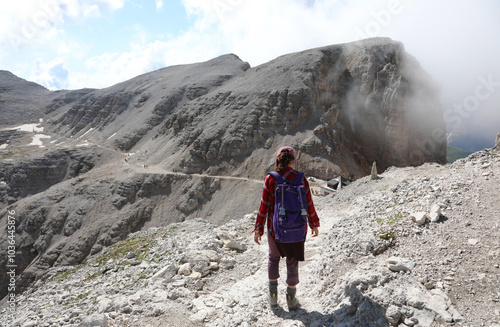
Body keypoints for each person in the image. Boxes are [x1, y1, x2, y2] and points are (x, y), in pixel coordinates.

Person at [253, 146, 320, 310]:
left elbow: (264, 206)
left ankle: (273, 297)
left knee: (273, 258)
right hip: (297, 229)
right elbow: (309, 203)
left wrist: (258, 228)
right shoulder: (301, 179)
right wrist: (314, 224)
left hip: (275, 229)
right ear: (293, 160)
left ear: (277, 160)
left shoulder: (270, 179)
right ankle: (291, 298)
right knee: (292, 261)